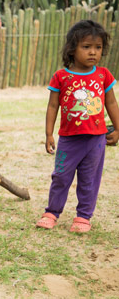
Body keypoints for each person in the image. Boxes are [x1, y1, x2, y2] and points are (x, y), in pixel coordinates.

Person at [36, 20, 119, 233]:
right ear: (72, 49)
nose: (93, 52)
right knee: (61, 176)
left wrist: (118, 129)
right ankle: (52, 212)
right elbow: (53, 105)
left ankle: (83, 216)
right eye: (86, 46)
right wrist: (49, 134)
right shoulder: (61, 76)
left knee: (89, 179)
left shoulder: (103, 75)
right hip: (69, 140)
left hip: (96, 140)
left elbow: (111, 103)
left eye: (98, 47)